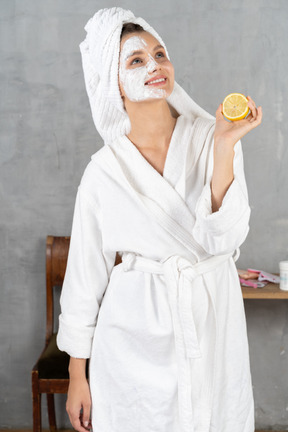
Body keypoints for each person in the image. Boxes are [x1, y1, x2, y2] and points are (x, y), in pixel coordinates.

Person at [57, 7, 262, 432]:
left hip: (210, 319)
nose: (155, 65)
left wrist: (224, 146)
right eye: (136, 60)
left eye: (160, 53)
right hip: (133, 333)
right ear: (111, 82)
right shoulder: (104, 171)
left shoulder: (215, 134)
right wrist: (78, 374)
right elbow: (84, 278)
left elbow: (225, 238)